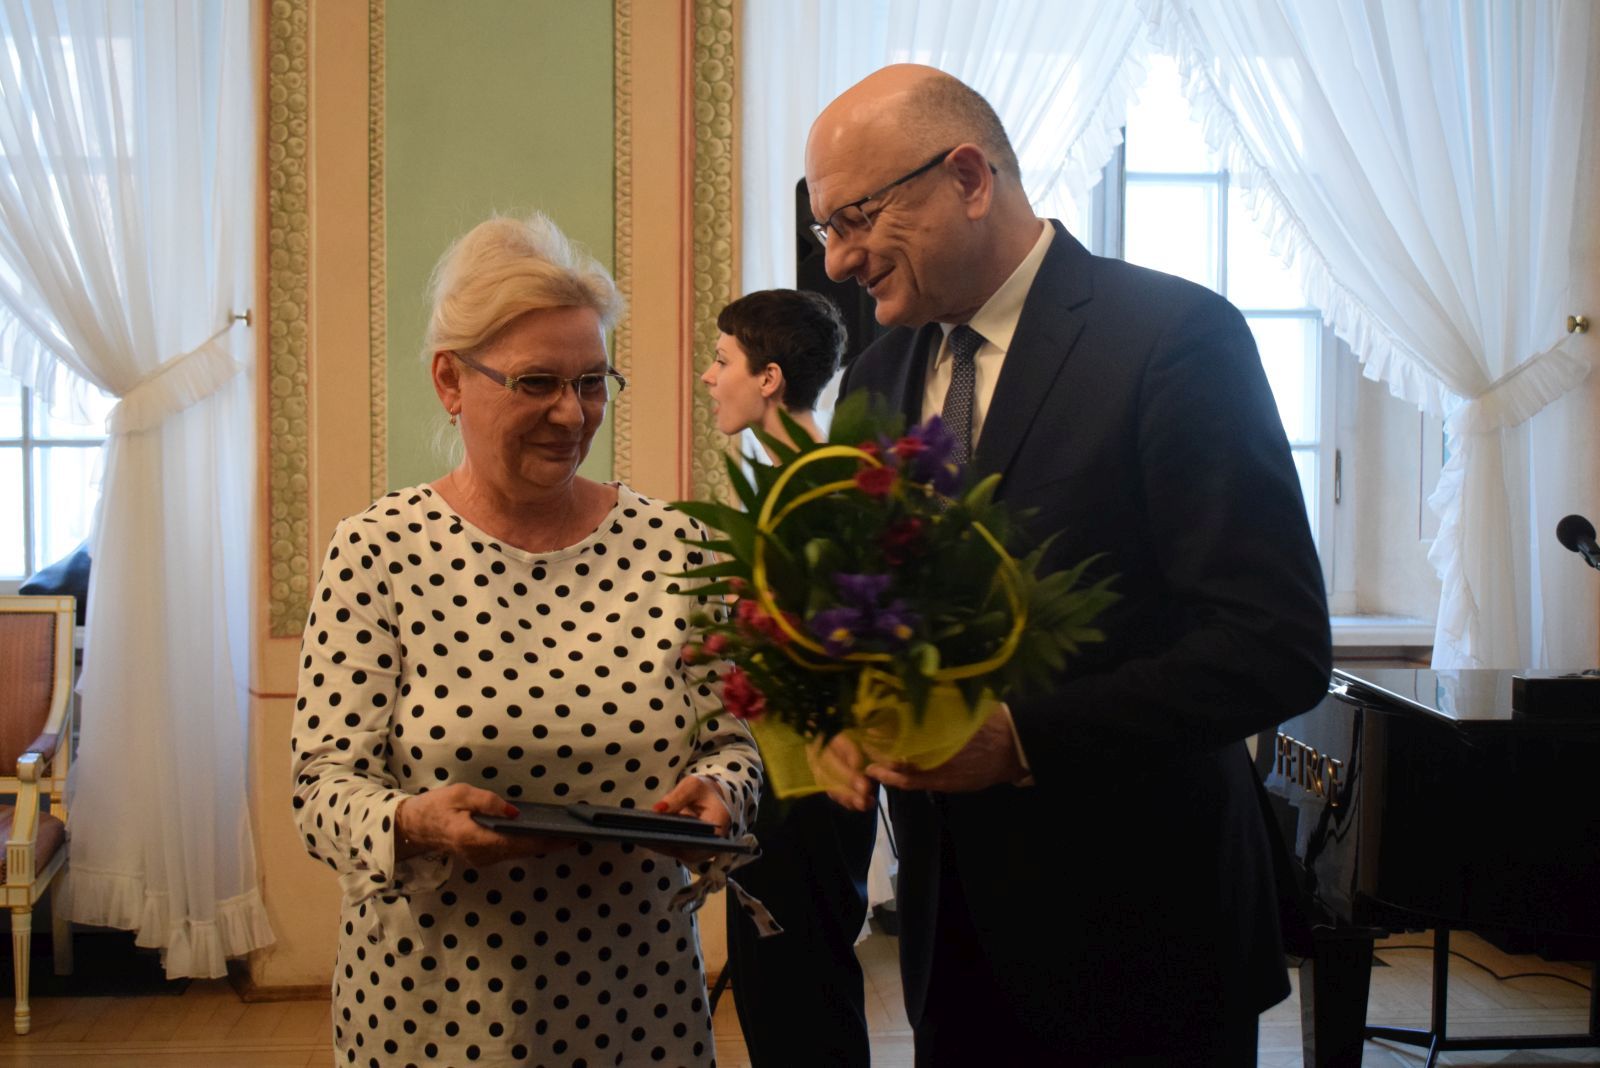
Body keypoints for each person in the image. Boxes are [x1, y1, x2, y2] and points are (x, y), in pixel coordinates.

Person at [805, 66, 1332, 1066]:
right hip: (950, 946)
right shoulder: (874, 379)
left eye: (856, 219)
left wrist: (1021, 740)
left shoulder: (1172, 339)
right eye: (826, 228)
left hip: (1146, 944)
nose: (837, 260)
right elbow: (871, 612)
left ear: (967, 178)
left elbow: (1274, 645)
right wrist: (835, 702)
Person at [290, 212, 762, 1067]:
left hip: (636, 999)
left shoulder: (675, 546)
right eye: (537, 382)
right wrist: (413, 822)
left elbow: (732, 744)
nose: (571, 413)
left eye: (593, 383)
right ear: (450, 380)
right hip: (432, 1008)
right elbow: (321, 790)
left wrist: (722, 793)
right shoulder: (378, 551)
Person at [698, 289, 878, 1066]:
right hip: (784, 777)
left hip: (807, 788)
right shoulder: (796, 482)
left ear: (769, 378)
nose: (710, 377)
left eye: (722, 360)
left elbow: (840, 656)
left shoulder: (818, 490)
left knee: (798, 997)